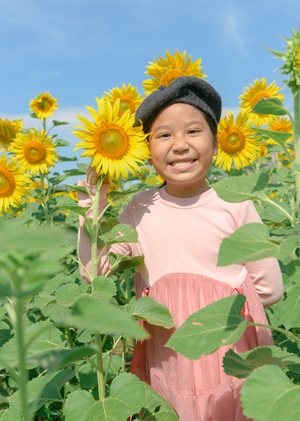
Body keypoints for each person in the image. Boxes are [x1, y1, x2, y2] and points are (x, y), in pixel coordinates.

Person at [77, 76, 283, 421]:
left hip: (225, 361)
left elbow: (272, 289)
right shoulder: (139, 209)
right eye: (164, 135)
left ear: (216, 144)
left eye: (192, 131)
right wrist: (92, 207)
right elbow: (93, 275)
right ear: (145, 151)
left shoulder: (237, 204)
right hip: (169, 362)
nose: (180, 144)